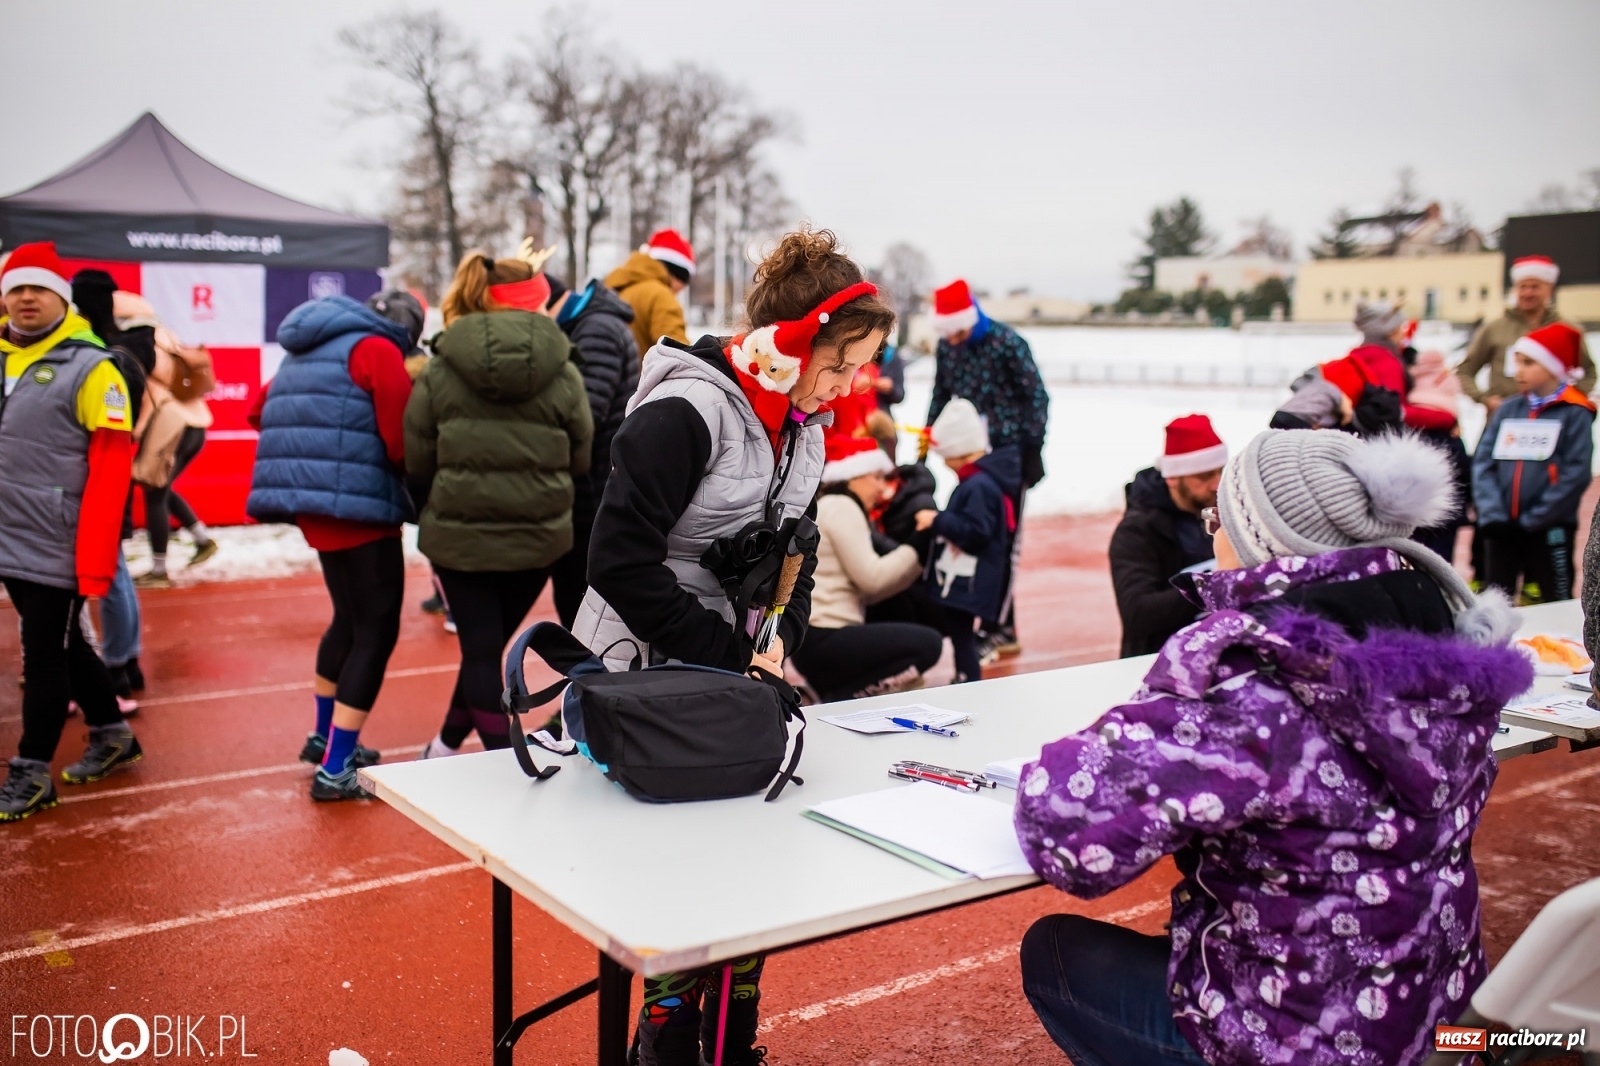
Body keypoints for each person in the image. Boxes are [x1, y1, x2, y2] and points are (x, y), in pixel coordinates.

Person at [1015, 428, 1531, 1066]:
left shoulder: (1260, 678)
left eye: (1218, 520)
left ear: (1258, 541)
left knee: (1054, 953)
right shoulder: (1450, 650)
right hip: (1442, 1024)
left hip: (1300, 1044)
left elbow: (1064, 833)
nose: (1211, 536)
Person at [573, 227, 894, 1066]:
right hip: (643, 667)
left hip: (732, 666)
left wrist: (778, 636)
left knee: (750, 860)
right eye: (839, 362)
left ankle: (732, 1031)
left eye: (859, 365)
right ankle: (665, 1038)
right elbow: (616, 564)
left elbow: (799, 545)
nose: (848, 384)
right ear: (787, 348)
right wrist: (726, 651)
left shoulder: (807, 424)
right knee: (674, 877)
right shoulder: (685, 411)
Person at [408, 253, 592, 760]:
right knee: (484, 650)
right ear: (538, 302)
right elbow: (581, 454)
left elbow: (417, 454)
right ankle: (449, 747)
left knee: (480, 651)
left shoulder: (440, 364)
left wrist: (436, 506)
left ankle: (499, 761)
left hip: (457, 534)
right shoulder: (564, 368)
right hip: (538, 534)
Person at [247, 295, 416, 800]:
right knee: (376, 630)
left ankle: (324, 737)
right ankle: (337, 767)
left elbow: (258, 410)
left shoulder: (305, 348)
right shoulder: (376, 348)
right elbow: (400, 439)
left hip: (314, 505)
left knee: (346, 618)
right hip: (359, 506)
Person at [0, 243, 141, 822]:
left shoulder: (94, 367)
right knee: (66, 644)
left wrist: (94, 560)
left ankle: (31, 771)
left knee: (44, 655)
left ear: (62, 297)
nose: (25, 298)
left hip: (58, 542)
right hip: (9, 536)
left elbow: (111, 474)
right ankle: (113, 733)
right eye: (15, 288)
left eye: (38, 288)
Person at [926, 278, 1048, 661]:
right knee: (973, 536)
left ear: (971, 318)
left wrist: (1031, 445)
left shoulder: (1007, 342)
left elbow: (1036, 396)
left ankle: (1001, 627)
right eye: (950, 333)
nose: (956, 339)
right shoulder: (949, 345)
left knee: (1003, 543)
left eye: (960, 331)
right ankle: (984, 617)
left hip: (1008, 455)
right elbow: (941, 392)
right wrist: (931, 432)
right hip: (967, 452)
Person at [790, 436, 942, 702]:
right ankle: (839, 697)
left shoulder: (832, 505)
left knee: (903, 607)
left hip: (813, 638)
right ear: (855, 476)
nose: (882, 487)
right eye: (877, 477)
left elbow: (869, 588)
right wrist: (918, 543)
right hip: (823, 639)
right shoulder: (842, 507)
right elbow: (872, 579)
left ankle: (832, 693)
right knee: (929, 645)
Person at [1472, 322, 1594, 605]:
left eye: (1528, 362)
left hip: (1549, 528)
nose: (1518, 371)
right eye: (1517, 362)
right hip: (1500, 528)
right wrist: (1492, 514)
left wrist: (1537, 517)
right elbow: (1483, 462)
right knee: (1495, 603)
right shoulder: (1508, 409)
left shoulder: (1575, 413)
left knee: (1556, 598)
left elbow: (1576, 472)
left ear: (1553, 367)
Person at [72, 271, 149, 708]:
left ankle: (117, 664)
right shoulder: (129, 348)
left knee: (112, 570)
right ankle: (127, 660)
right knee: (117, 567)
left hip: (97, 469)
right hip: (115, 464)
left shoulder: (100, 356)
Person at [551, 274, 640, 628]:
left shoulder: (596, 329)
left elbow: (586, 410)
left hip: (594, 485)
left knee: (581, 605)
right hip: (597, 480)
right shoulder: (592, 323)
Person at [912, 398, 1020, 685]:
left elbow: (976, 531)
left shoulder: (979, 486)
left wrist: (936, 520)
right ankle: (966, 675)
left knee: (962, 636)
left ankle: (968, 679)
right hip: (966, 578)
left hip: (967, 581)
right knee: (960, 633)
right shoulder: (979, 482)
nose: (944, 463)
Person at [1108, 414, 1225, 657]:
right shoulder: (1136, 531)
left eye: (1220, 472)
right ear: (1173, 478)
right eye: (1204, 476)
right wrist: (1215, 585)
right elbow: (1138, 614)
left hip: (1218, 653)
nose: (1217, 484)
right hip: (1159, 661)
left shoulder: (1219, 510)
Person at [126, 294, 216, 588]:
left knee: (154, 489)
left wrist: (134, 433)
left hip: (171, 424)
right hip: (195, 421)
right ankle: (202, 539)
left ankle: (159, 570)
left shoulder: (138, 347)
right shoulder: (166, 337)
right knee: (160, 486)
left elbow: (148, 397)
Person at [1456, 255, 1595, 411]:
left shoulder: (1567, 329)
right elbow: (1464, 371)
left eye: (1535, 287)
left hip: (1553, 421)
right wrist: (1484, 399)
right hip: (1504, 419)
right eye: (1522, 287)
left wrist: (1571, 402)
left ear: (1549, 289)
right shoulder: (1495, 328)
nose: (1528, 293)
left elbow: (1588, 371)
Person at [605, 228, 693, 358]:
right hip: (643, 377)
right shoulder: (661, 296)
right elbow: (678, 356)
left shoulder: (616, 288)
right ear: (676, 274)